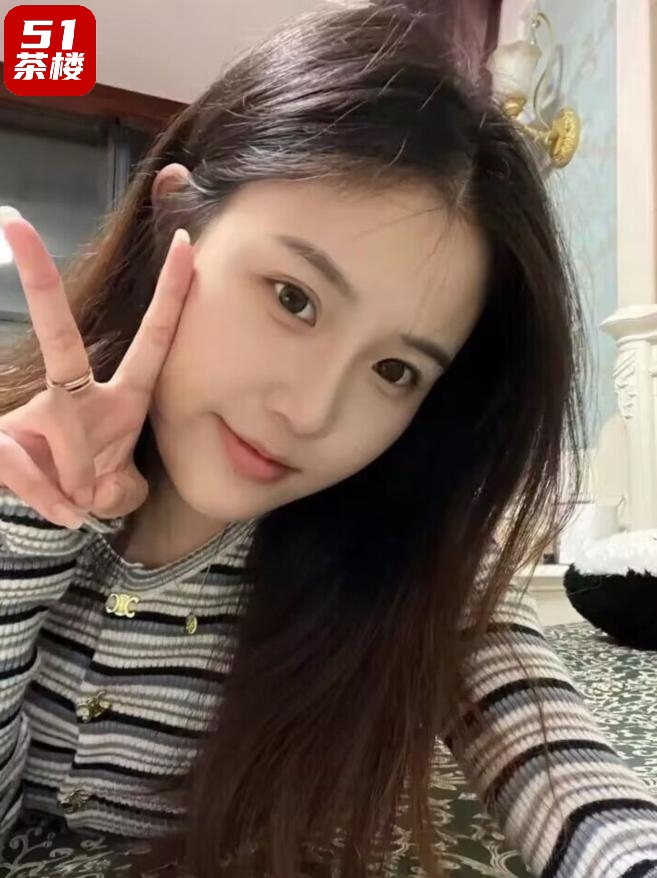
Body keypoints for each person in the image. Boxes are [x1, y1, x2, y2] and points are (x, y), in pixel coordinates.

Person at [0, 4, 655, 878]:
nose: (311, 413)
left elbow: (580, 792)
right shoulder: (12, 478)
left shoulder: (408, 571)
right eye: (293, 298)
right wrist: (26, 522)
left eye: (394, 370)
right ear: (174, 226)